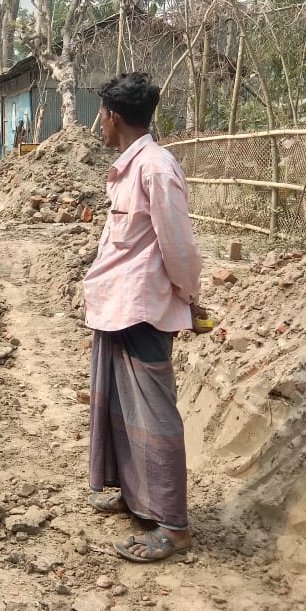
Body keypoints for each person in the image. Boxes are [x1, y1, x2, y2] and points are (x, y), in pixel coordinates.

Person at [82, 72, 209, 563]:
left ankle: (174, 526)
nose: (99, 124)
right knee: (121, 408)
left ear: (113, 116)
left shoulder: (155, 167)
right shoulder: (132, 167)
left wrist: (190, 296)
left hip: (143, 308)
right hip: (120, 306)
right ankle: (138, 498)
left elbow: (179, 244)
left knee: (154, 416)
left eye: (101, 115)